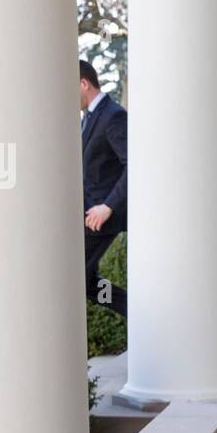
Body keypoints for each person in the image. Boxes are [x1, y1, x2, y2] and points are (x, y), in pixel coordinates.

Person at [79, 59, 128, 318]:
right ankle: (139, 313)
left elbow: (133, 166)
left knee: (74, 277)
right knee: (84, 282)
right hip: (87, 216)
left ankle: (141, 315)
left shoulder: (114, 116)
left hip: (101, 216)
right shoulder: (88, 118)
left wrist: (108, 207)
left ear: (84, 83)